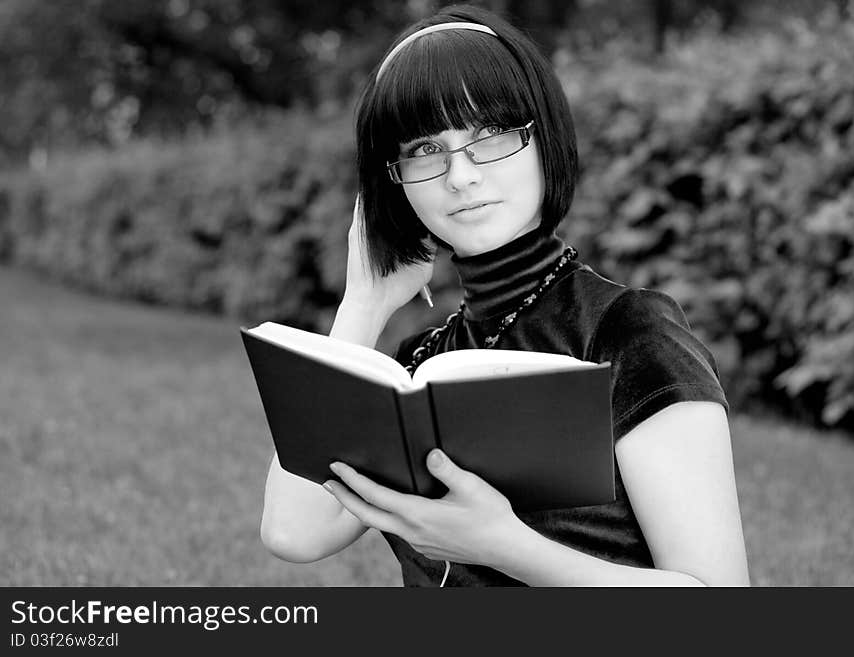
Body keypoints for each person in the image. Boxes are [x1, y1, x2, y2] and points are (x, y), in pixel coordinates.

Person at [260, 4, 750, 586]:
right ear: (393, 183)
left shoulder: (628, 331)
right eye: (424, 150)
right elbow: (293, 532)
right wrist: (361, 308)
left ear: (546, 139)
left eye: (489, 136)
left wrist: (503, 545)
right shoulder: (416, 368)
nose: (460, 175)